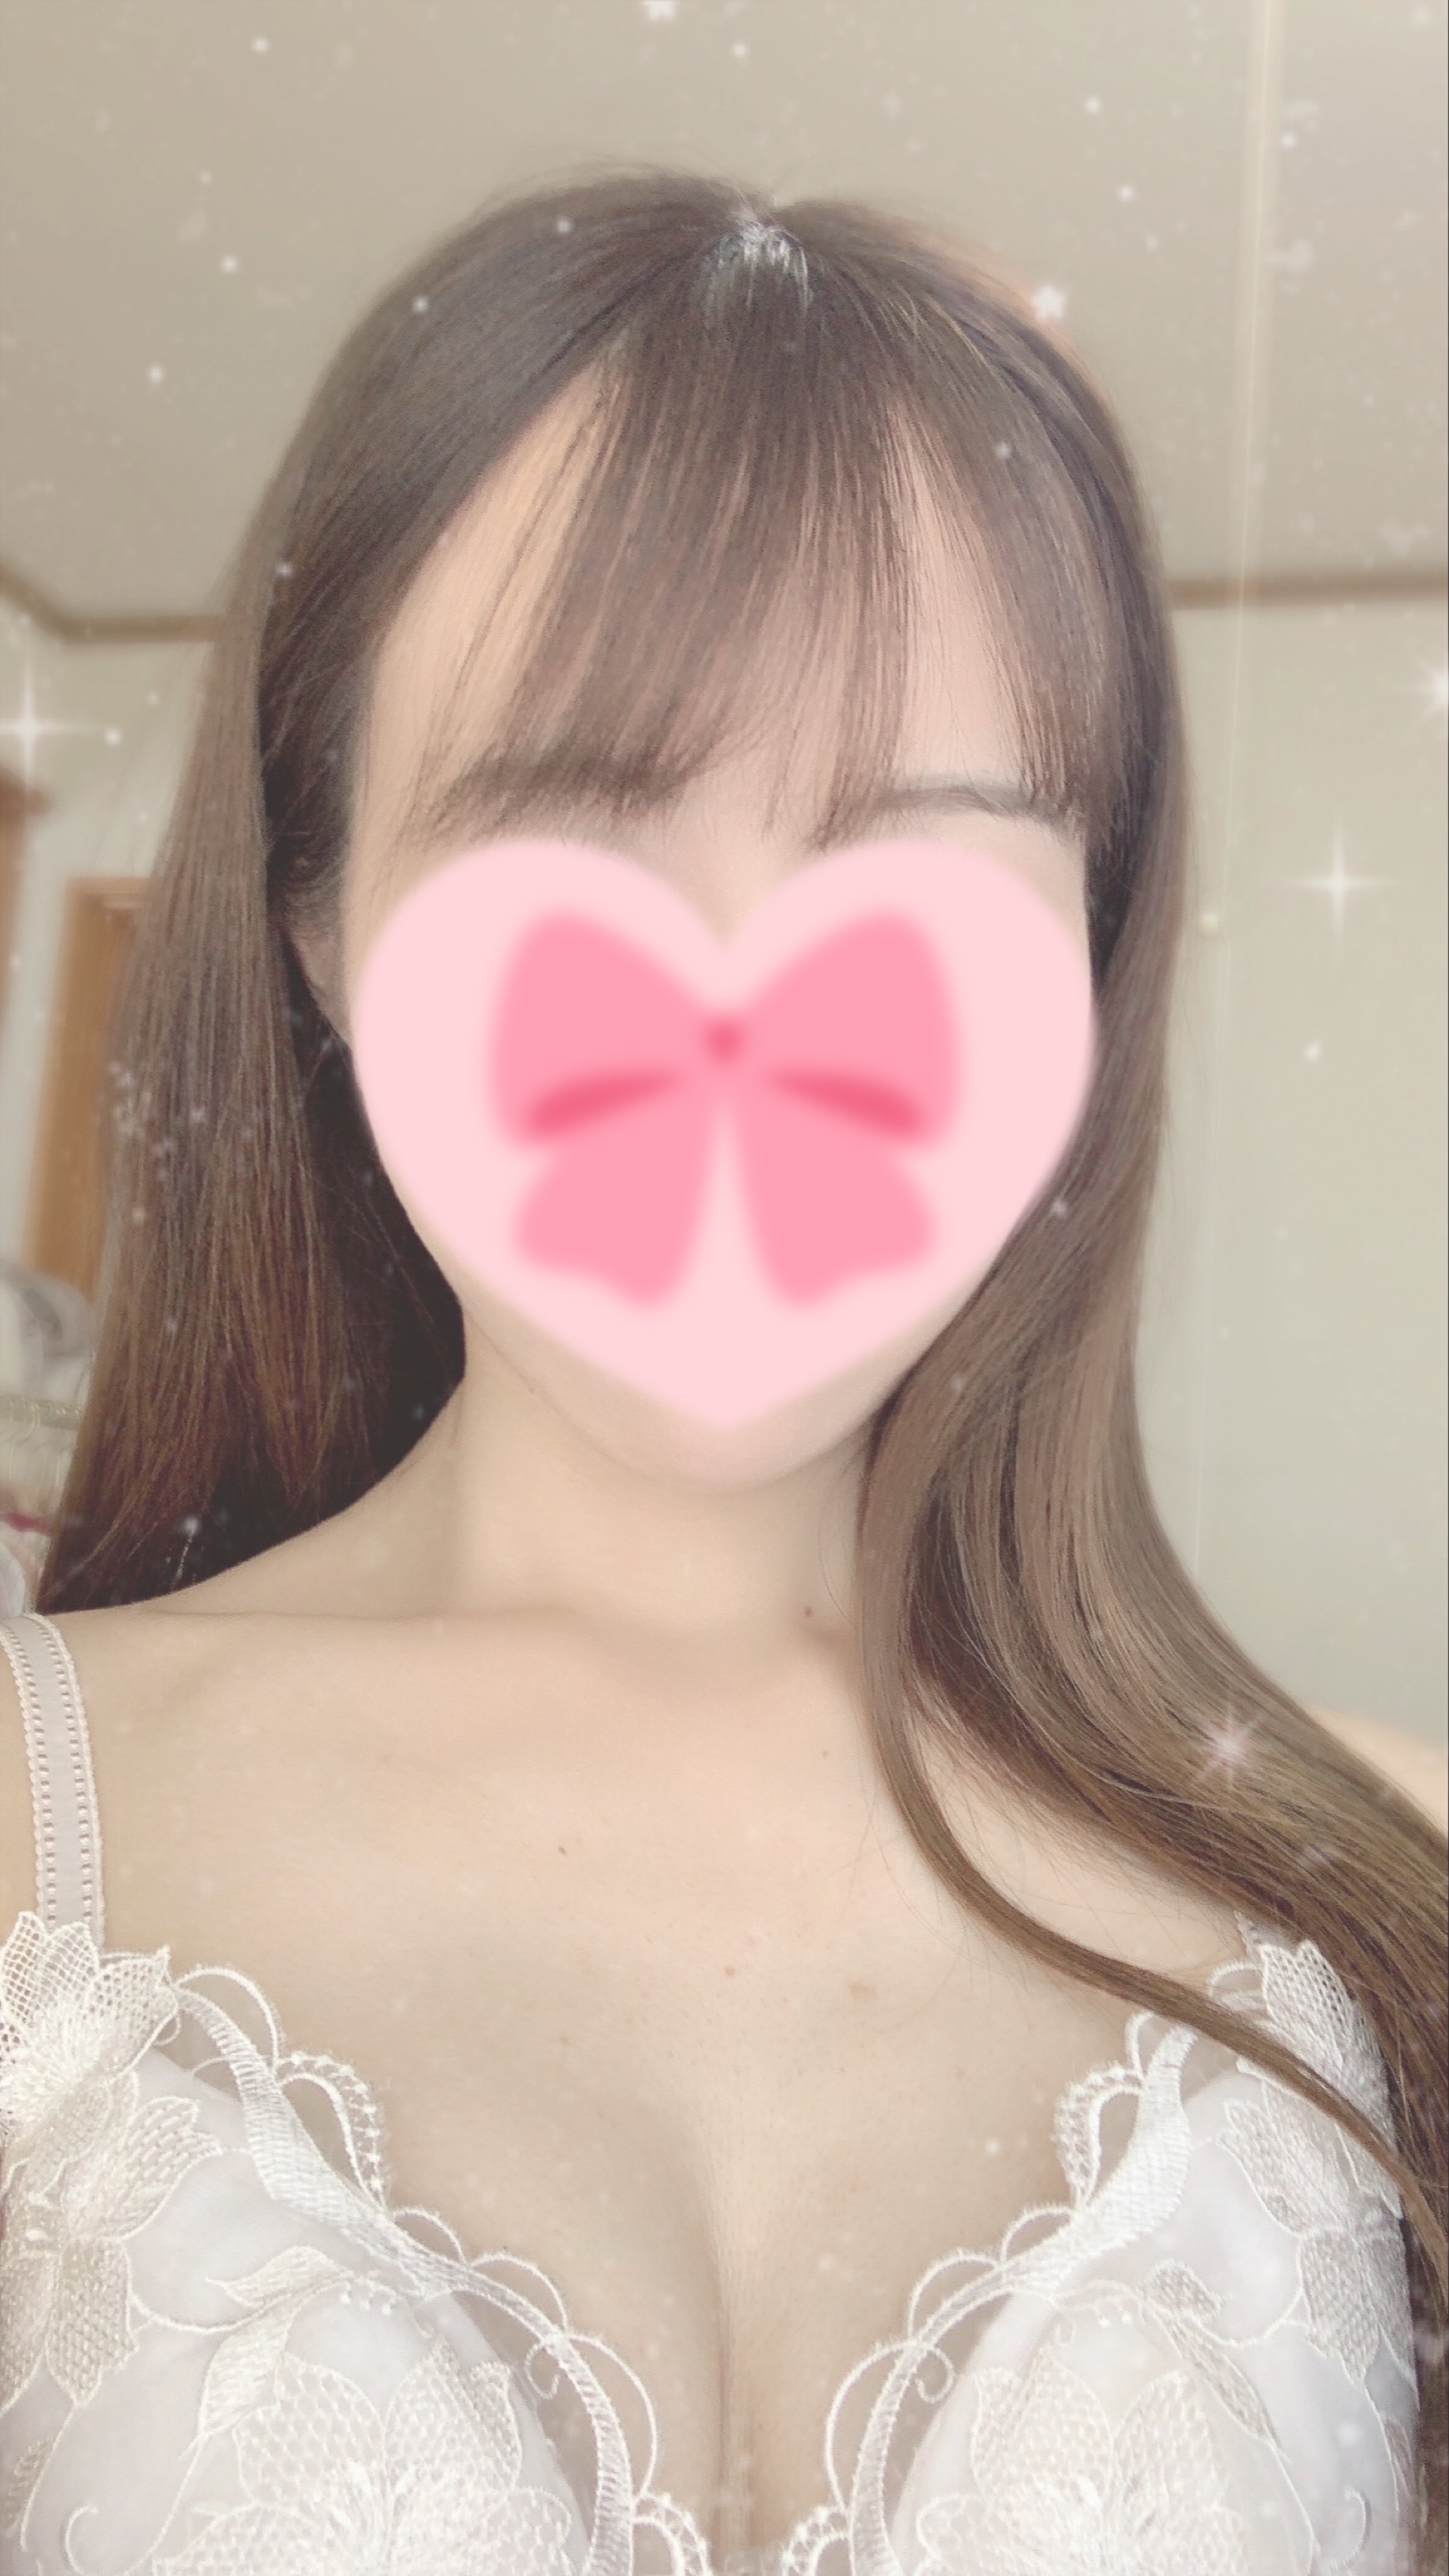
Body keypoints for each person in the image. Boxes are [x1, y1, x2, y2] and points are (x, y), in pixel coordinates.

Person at [0, 174, 1443, 2576]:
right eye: (570, 818)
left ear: (1086, 974)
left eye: (930, 857)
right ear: (321, 919)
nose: (743, 996)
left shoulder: (1383, 1898)